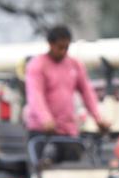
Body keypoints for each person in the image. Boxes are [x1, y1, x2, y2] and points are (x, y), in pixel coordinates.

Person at [23, 25, 110, 164]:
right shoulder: (37, 65)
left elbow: (87, 92)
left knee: (72, 173)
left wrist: (98, 118)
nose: (63, 51)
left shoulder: (74, 65)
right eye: (60, 47)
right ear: (50, 44)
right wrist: (45, 119)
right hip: (43, 132)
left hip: (68, 131)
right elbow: (35, 95)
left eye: (66, 47)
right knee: (45, 174)